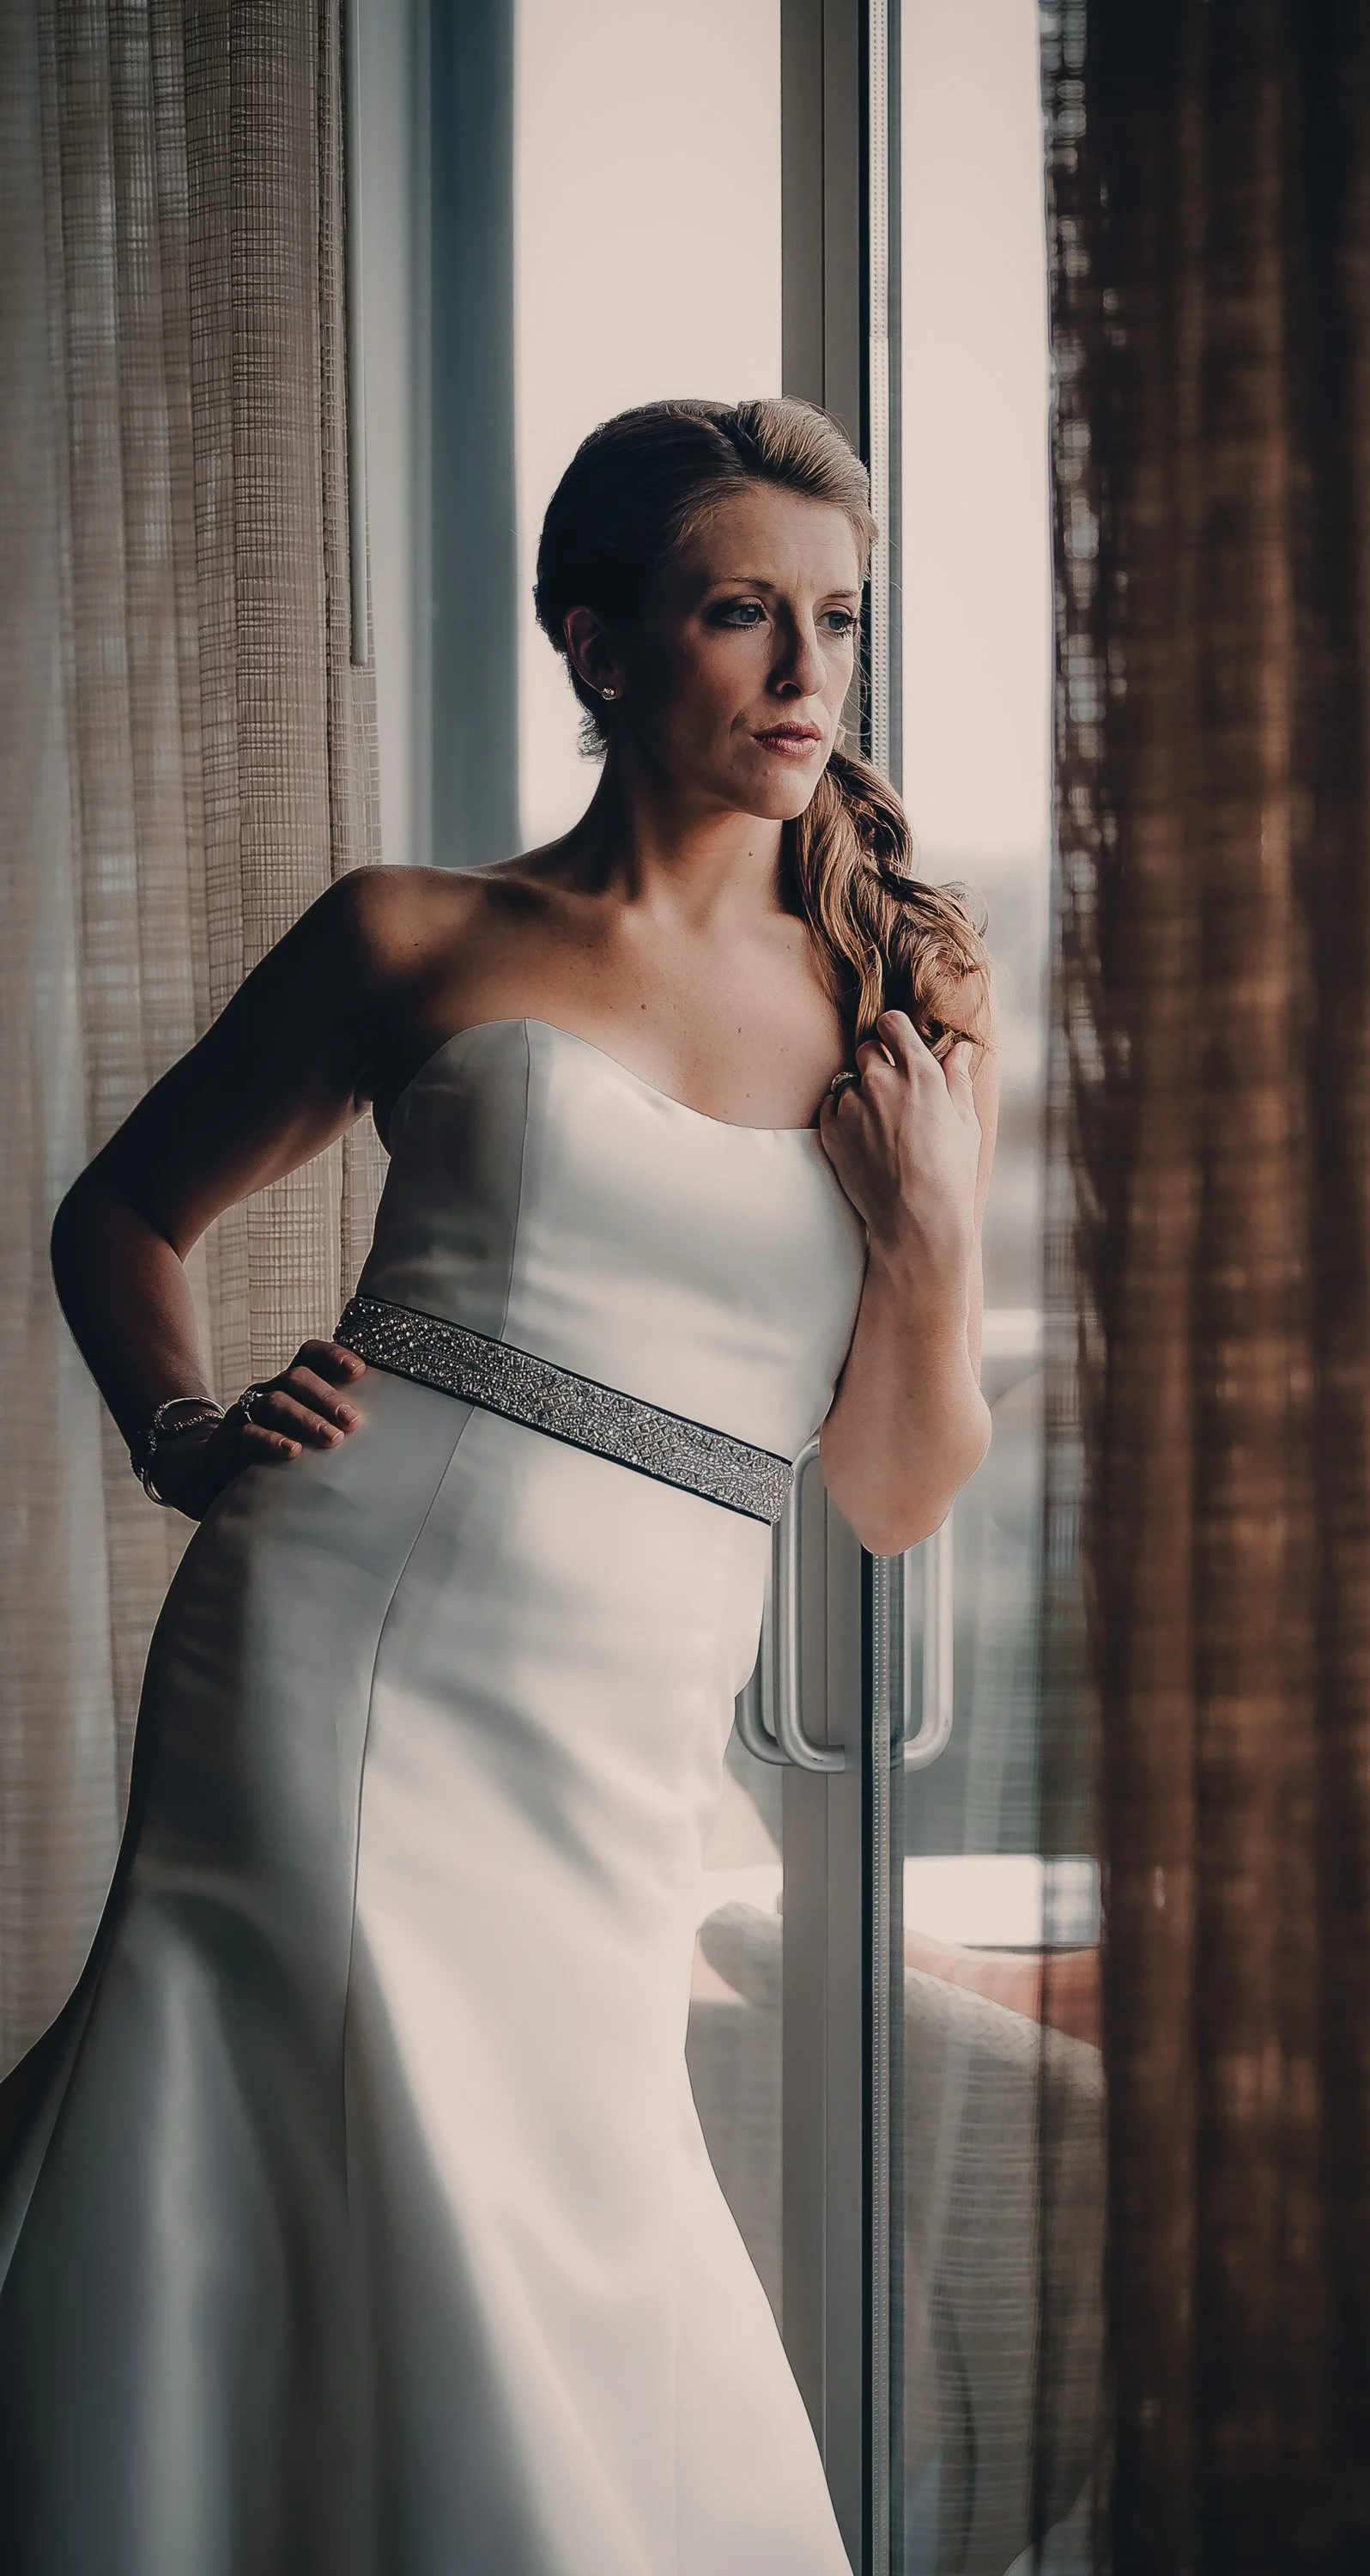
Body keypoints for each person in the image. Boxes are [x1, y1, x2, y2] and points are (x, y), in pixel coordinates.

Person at [0, 397, 996, 2573]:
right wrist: (183, 1432)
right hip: (334, 1644)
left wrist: (927, 1228)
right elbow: (117, 1221)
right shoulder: (416, 932)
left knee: (557, 2183)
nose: (808, 671)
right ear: (601, 643)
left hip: (618, 1712)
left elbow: (899, 1497)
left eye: (836, 618)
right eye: (745, 612)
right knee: (282, 2118)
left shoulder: (900, 1009)